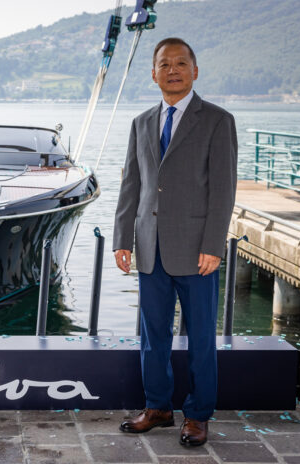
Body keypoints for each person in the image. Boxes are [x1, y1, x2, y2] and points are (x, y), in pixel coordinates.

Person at [112, 38, 237, 447]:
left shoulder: (217, 120)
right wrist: (122, 238)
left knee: (200, 338)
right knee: (153, 337)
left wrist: (214, 245)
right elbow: (132, 184)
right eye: (164, 64)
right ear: (153, 74)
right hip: (150, 248)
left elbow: (223, 190)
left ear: (195, 71)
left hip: (198, 250)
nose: (173, 70)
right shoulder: (141, 122)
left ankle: (198, 415)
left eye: (181, 63)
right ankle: (158, 407)